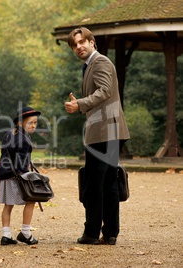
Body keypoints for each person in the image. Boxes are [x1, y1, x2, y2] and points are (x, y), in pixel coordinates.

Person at [64, 27, 130, 245]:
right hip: (108, 130)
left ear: (92, 42)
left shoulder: (99, 62)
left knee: (95, 184)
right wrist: (81, 103)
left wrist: (80, 104)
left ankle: (91, 233)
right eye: (75, 44)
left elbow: (104, 91)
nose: (79, 46)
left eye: (82, 41)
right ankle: (110, 233)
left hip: (104, 131)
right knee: (108, 183)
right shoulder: (90, 65)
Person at [0, 106, 42, 246]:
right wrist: (27, 174)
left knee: (8, 205)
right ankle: (26, 233)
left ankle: (6, 235)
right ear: (20, 123)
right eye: (30, 123)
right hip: (16, 175)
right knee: (31, 199)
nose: (33, 125)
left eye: (35, 123)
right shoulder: (23, 139)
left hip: (3, 174)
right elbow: (20, 162)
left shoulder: (9, 133)